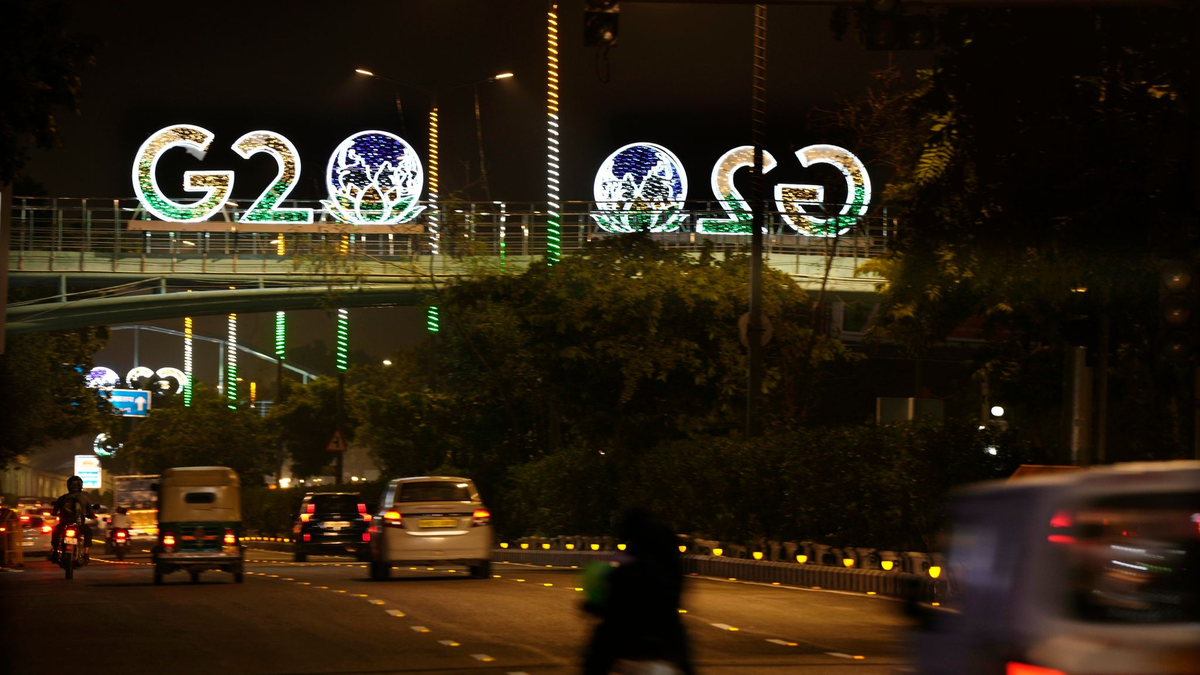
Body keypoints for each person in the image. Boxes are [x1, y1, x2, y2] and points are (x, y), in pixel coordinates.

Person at [583, 509, 693, 675]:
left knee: (598, 652)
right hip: (666, 620)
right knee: (684, 656)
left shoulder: (635, 554)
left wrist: (594, 605)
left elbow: (620, 582)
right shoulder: (666, 542)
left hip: (631, 623)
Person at [50, 476, 95, 564]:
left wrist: (55, 513)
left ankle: (55, 553)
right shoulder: (85, 498)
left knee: (55, 532)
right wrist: (91, 515)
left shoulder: (62, 498)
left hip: (64, 525)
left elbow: (54, 511)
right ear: (81, 485)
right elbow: (91, 512)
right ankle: (86, 554)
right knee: (88, 532)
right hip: (79, 525)